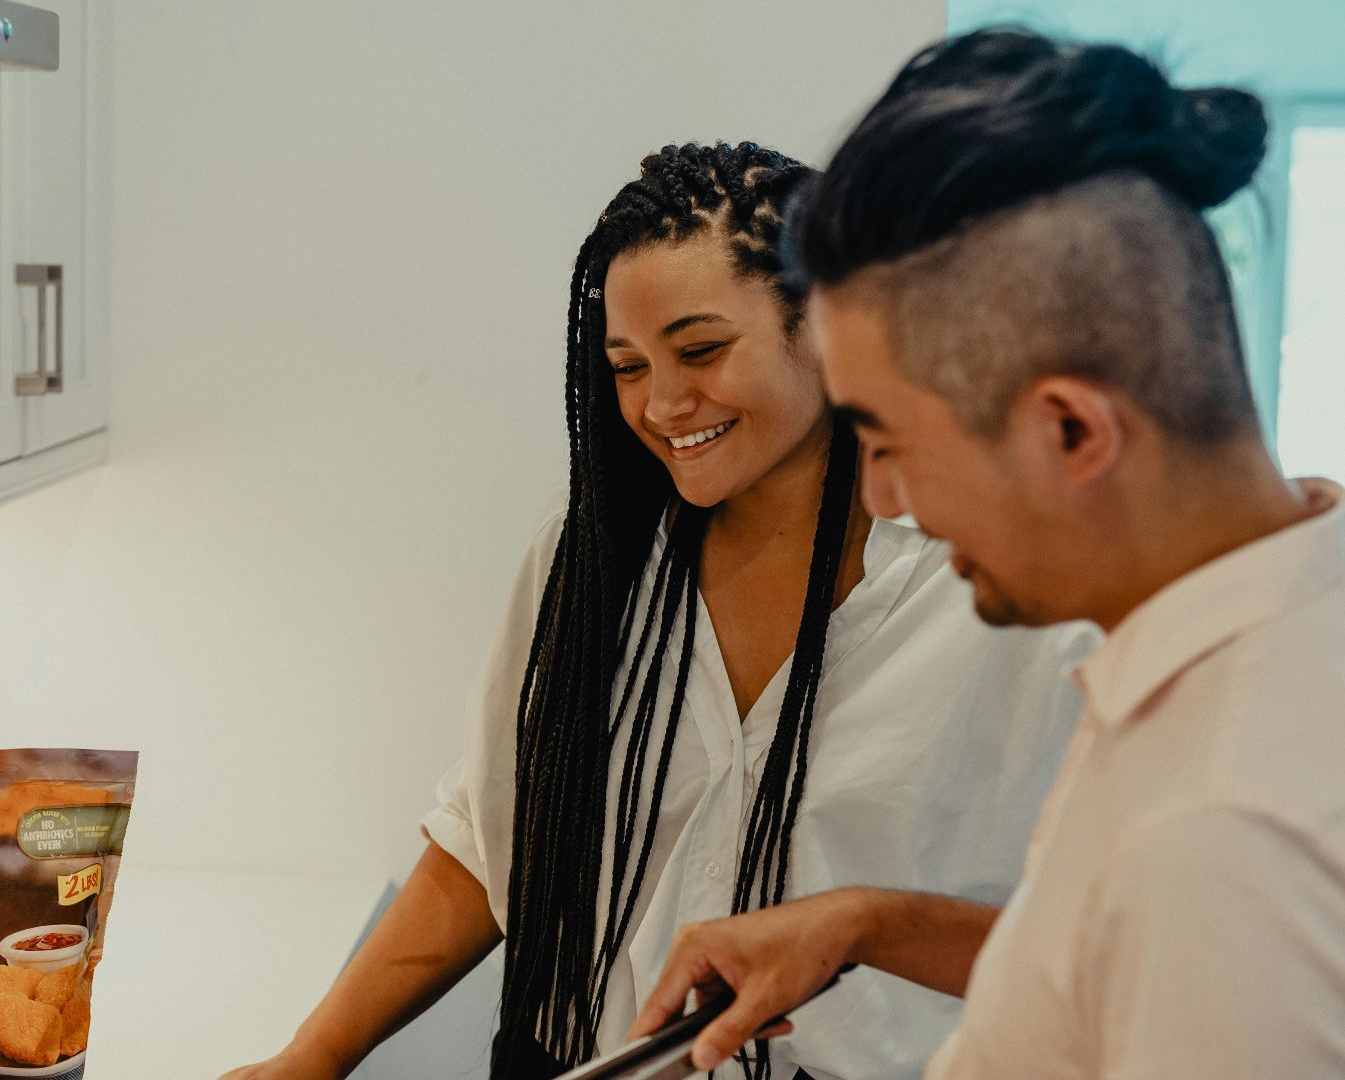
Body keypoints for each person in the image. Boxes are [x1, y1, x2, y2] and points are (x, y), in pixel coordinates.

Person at [222, 141, 1091, 1080]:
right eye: (627, 365)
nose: (663, 402)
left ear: (827, 327)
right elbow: (489, 835)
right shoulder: (593, 563)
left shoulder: (993, 592)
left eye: (701, 349)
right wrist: (310, 1056)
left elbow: (1101, 929)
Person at [631, 28, 1345, 1078]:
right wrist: (867, 922)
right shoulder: (1268, 639)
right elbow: (1115, 968)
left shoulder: (1222, 833)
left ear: (1070, 431)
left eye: (887, 441)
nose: (880, 496)